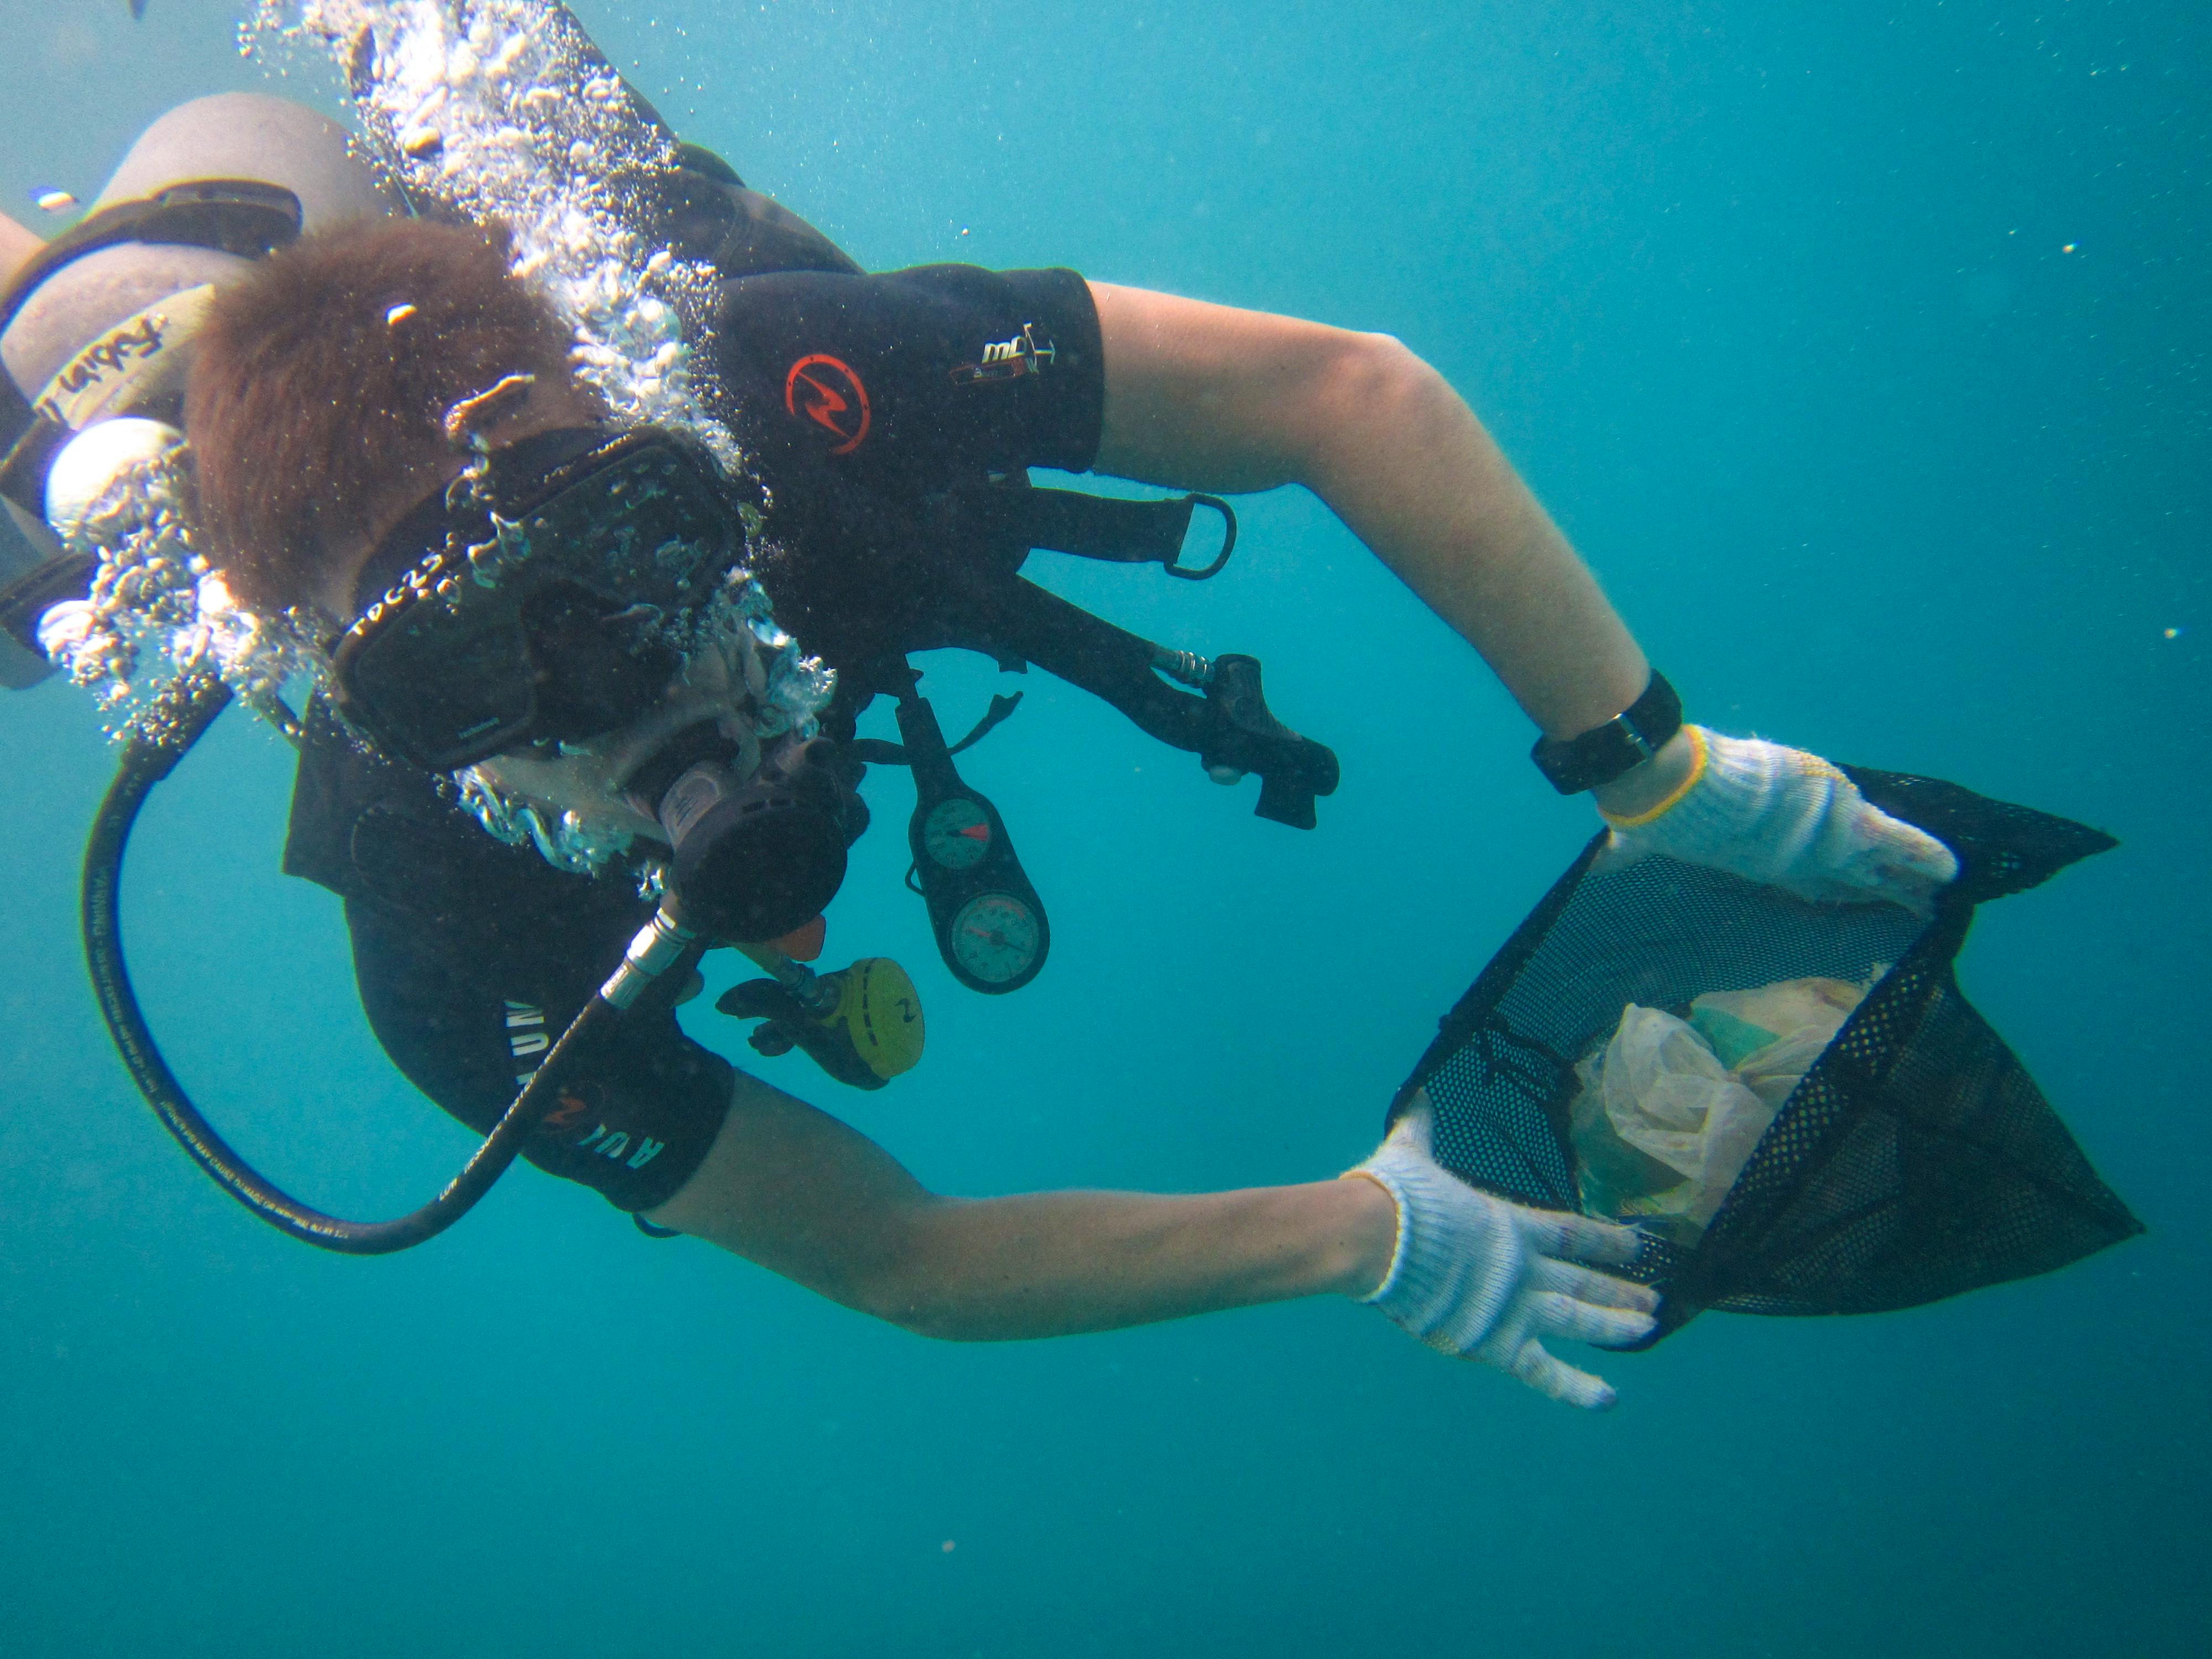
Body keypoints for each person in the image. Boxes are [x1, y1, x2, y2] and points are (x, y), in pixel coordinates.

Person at [2, 80, 1959, 1413]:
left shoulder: (786, 384)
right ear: (342, 714)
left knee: (593, 180)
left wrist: (1656, 764)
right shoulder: (440, 942)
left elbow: (1342, 395)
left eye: (631, 541)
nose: (621, 687)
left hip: (698, 356)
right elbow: (906, 1258)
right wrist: (1370, 1238)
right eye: (457, 681)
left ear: (665, 445)